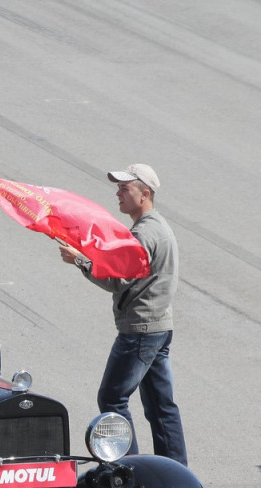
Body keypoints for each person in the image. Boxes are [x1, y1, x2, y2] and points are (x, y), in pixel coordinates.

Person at [58, 163, 188, 465]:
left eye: (125, 188)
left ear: (144, 194)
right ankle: (175, 470)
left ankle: (129, 469)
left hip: (140, 331)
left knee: (112, 399)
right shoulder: (157, 227)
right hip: (157, 327)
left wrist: (81, 261)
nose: (118, 193)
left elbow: (118, 279)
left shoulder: (144, 235)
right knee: (160, 404)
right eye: (118, 187)